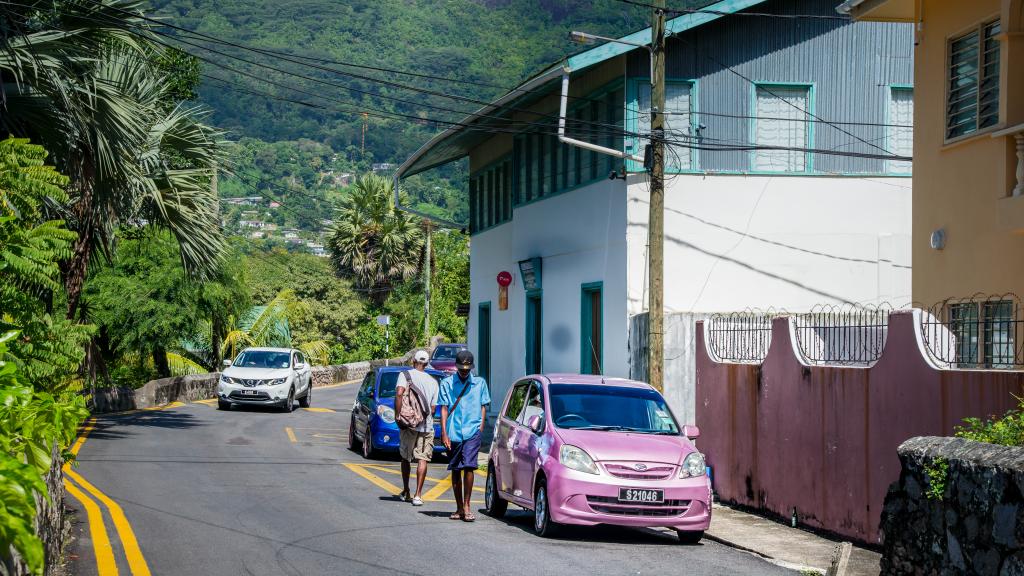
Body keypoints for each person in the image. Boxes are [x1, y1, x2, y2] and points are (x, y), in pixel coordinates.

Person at [439, 350, 490, 522]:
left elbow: (483, 405)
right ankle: (459, 507)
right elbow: (444, 408)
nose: (464, 372)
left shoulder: (480, 383)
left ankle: (467, 506)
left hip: (472, 431)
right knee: (456, 468)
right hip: (453, 431)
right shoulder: (446, 383)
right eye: (461, 369)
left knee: (469, 466)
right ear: (456, 367)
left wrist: (480, 428)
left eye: (467, 370)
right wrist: (444, 433)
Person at [395, 350, 439, 506]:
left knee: (405, 457)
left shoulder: (405, 375)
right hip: (426, 426)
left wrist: (398, 415)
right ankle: (418, 495)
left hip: (409, 424)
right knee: (423, 459)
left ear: (413, 361)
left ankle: (406, 490)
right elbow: (432, 409)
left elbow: (399, 394)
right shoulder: (433, 382)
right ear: (426, 364)